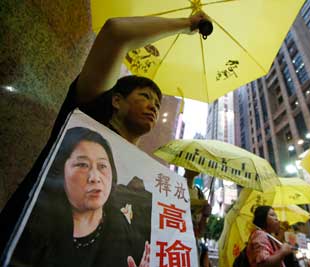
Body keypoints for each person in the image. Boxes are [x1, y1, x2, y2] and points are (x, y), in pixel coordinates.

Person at [0, 11, 208, 263]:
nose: (154, 106)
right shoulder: (87, 116)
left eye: (157, 103)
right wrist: (187, 24)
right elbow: (116, 32)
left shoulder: (137, 184)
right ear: (116, 101)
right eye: (145, 96)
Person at [11, 127, 151, 267]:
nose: (95, 178)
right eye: (83, 165)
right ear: (60, 171)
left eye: (102, 166)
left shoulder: (127, 233)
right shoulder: (31, 230)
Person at [183, 168, 211, 267]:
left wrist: (205, 215)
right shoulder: (176, 186)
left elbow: (201, 232)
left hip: (194, 242)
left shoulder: (199, 193)